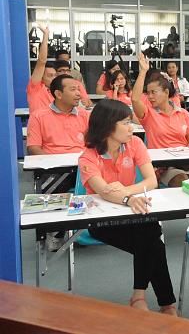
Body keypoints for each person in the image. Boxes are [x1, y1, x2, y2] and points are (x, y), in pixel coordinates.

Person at [79, 99, 177, 315]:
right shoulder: (88, 157)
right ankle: (166, 304)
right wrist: (128, 199)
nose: (131, 127)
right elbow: (102, 190)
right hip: (102, 221)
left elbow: (151, 181)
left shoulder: (135, 144)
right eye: (125, 123)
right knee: (153, 243)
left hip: (133, 212)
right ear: (107, 126)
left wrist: (124, 191)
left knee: (149, 234)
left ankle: (140, 297)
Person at [27, 74, 90, 251]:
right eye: (73, 89)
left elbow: (93, 144)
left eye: (79, 89)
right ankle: (55, 231)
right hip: (54, 168)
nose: (78, 93)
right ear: (58, 94)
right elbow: (33, 147)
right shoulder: (39, 116)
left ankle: (86, 229)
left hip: (82, 166)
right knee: (56, 182)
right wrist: (54, 162)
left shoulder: (85, 115)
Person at [132, 53, 189, 187]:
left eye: (153, 92)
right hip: (163, 166)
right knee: (181, 180)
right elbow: (135, 99)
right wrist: (143, 72)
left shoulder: (183, 113)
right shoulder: (148, 114)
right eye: (148, 93)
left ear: (166, 92)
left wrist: (186, 153)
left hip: (185, 160)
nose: (150, 96)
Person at [27, 24, 58, 113]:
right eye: (50, 75)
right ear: (41, 78)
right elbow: (41, 61)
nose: (54, 78)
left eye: (55, 75)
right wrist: (45, 36)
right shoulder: (36, 88)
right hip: (38, 122)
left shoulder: (57, 92)